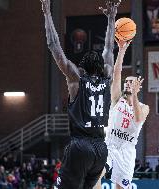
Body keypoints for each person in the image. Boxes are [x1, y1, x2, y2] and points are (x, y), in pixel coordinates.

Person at [40, 0, 121, 188]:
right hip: (101, 149)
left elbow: (53, 45)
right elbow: (109, 50)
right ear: (101, 68)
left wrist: (47, 13)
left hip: (80, 146)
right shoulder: (107, 76)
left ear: (82, 67)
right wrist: (111, 18)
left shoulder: (77, 79)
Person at [95, 39, 149, 189]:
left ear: (137, 87)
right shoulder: (117, 99)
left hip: (127, 151)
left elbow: (138, 119)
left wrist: (135, 95)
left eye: (131, 82)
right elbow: (117, 72)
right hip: (110, 145)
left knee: (121, 187)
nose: (126, 83)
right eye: (126, 82)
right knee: (96, 174)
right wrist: (122, 50)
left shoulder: (144, 107)